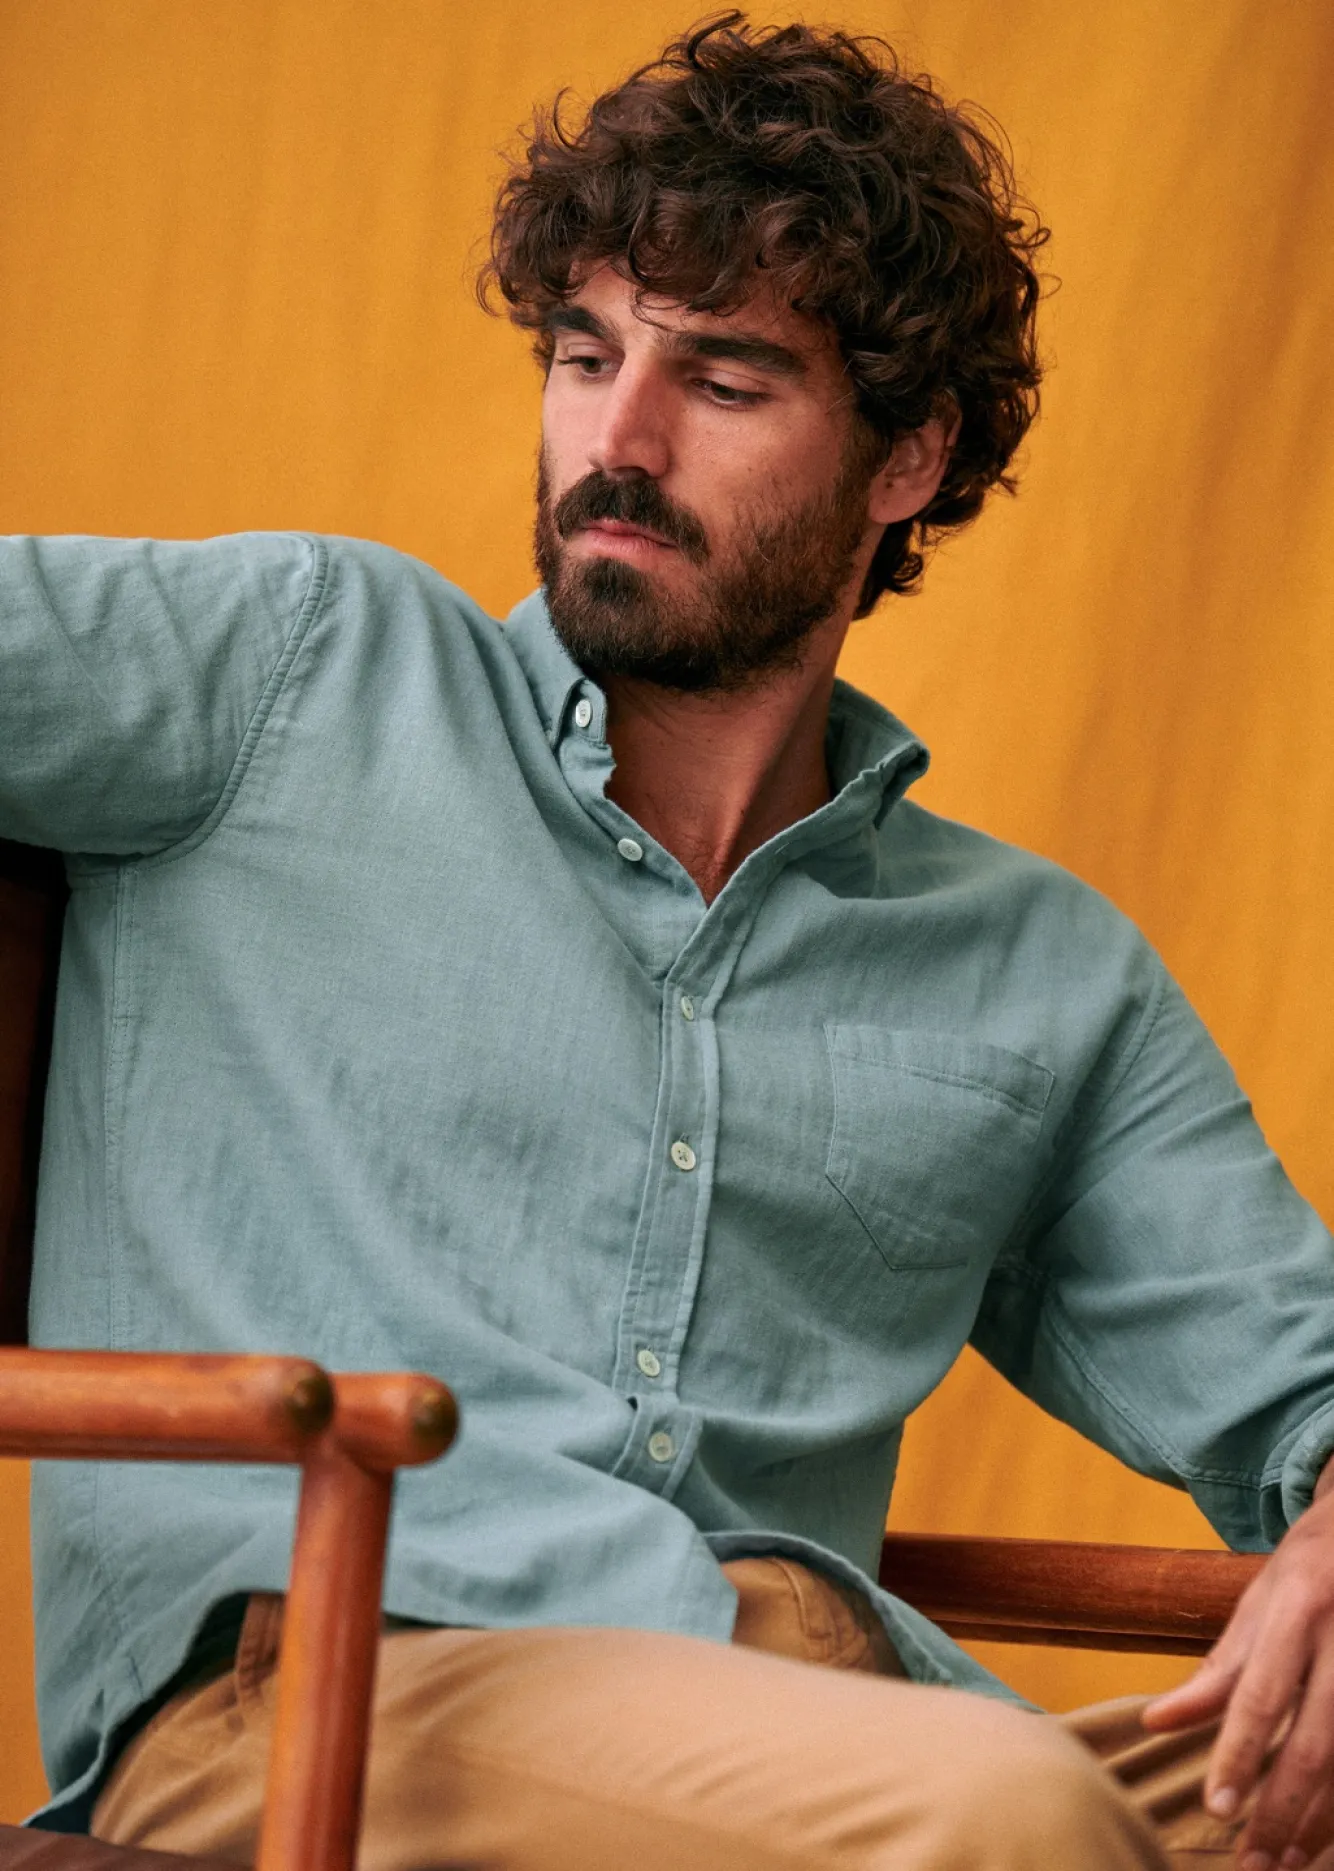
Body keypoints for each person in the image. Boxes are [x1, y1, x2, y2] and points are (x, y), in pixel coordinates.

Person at [4, 14, 1334, 1870]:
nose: (614, 442)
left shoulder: (1039, 970)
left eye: (719, 380)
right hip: (333, 1709)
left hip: (843, 1720)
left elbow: (1297, 1373)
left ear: (906, 458)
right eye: (583, 355)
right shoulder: (291, 669)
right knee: (1001, 1810)